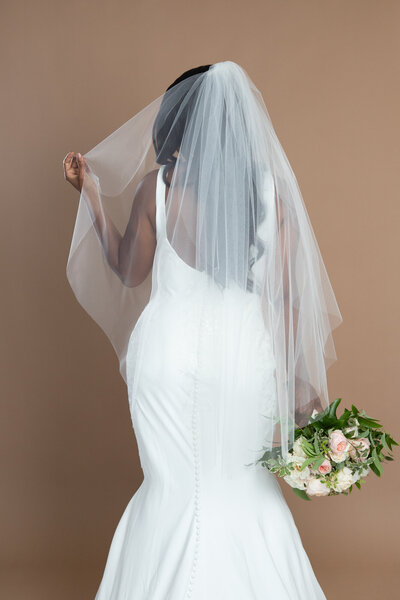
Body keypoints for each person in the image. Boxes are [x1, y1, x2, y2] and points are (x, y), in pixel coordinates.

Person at [63, 61, 342, 599]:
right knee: (241, 484)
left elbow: (127, 270)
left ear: (175, 128)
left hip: (164, 360)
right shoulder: (273, 198)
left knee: (170, 488)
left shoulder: (156, 190)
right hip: (242, 362)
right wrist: (301, 386)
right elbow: (285, 306)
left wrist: (91, 193)